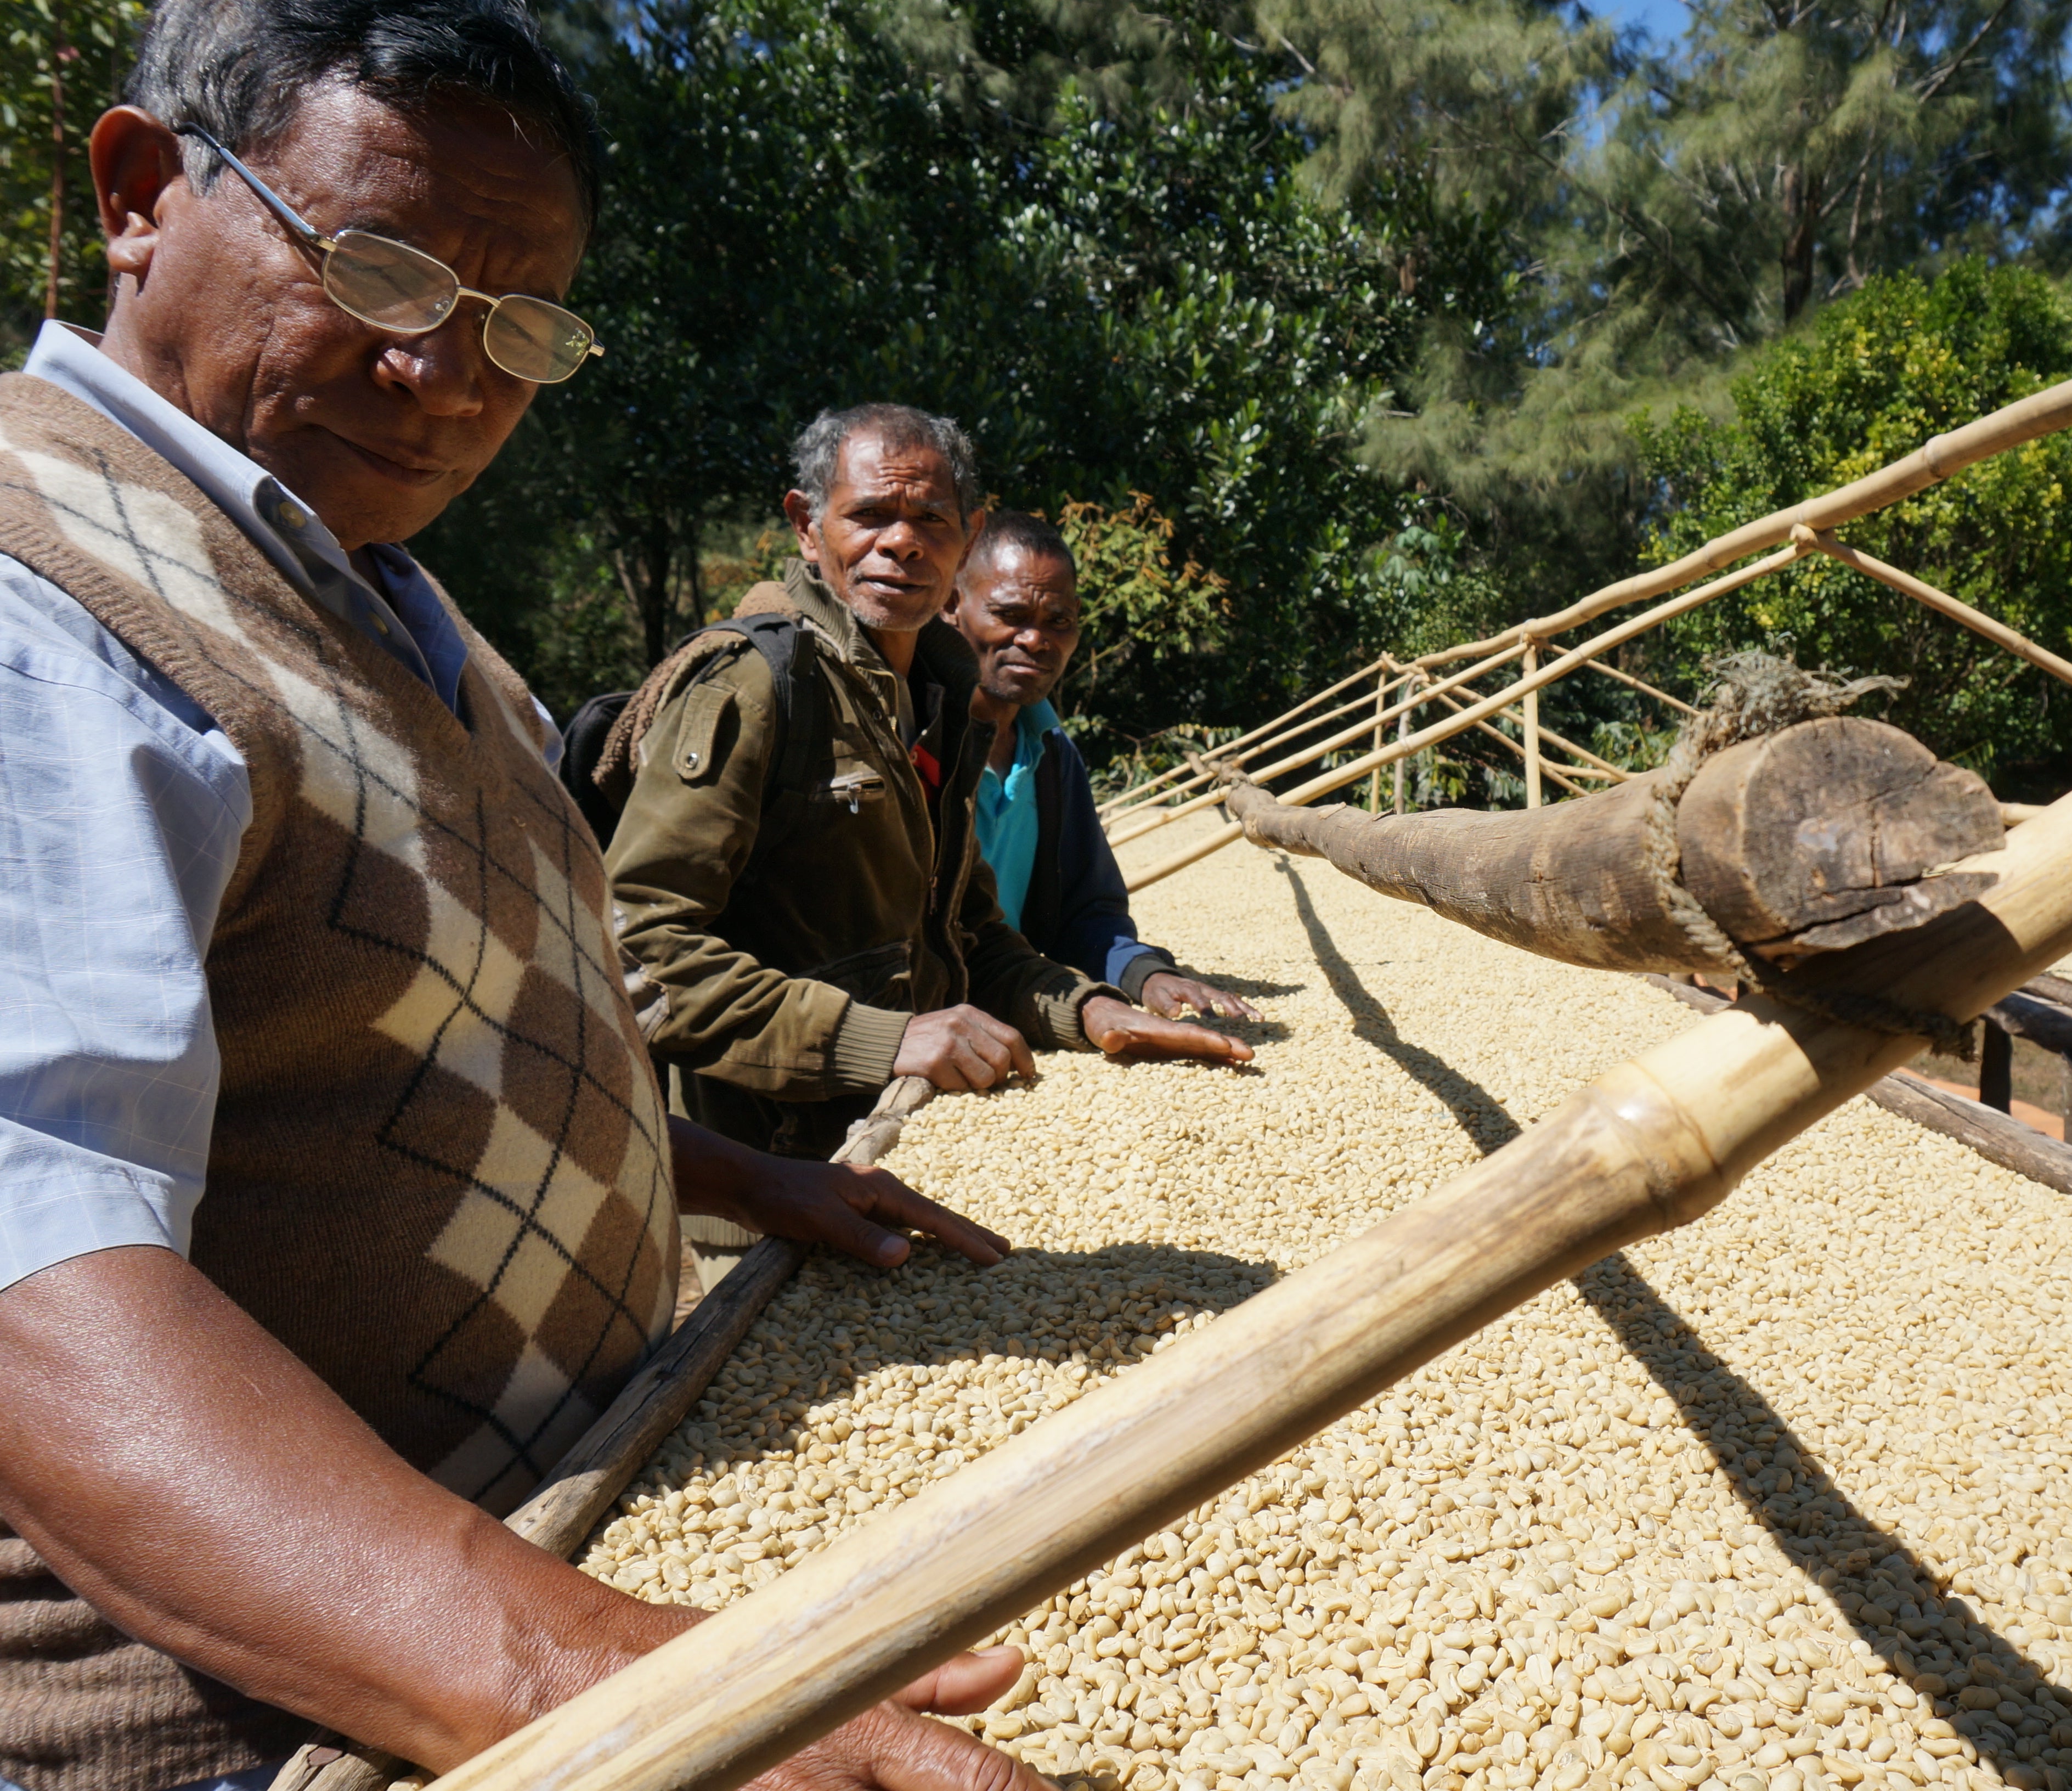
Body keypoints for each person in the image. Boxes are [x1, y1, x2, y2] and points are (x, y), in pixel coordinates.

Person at [0, 7, 1053, 1790]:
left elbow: (419, 1042)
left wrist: (729, 1174)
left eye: (516, 324)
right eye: (385, 270)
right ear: (136, 195)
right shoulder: (44, 595)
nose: (451, 375)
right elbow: (38, 1277)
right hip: (275, 1719)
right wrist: (596, 1674)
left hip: (567, 1519)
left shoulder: (388, 603)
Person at [598, 405, 1251, 1170]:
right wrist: (886, 1039)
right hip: (774, 1166)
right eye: (869, 515)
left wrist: (1091, 1009)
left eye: (930, 520)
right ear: (807, 527)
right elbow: (635, 950)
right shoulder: (757, 687)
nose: (902, 541)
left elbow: (970, 936)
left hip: (905, 1138)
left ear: (968, 538)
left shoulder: (942, 699)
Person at [943, 512, 1257, 1021]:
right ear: (952, 606)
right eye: (1010, 615)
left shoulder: (1050, 754)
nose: (1035, 640)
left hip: (1014, 1001)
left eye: (1057, 622)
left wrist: (1147, 976)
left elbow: (1086, 914)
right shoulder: (914, 741)